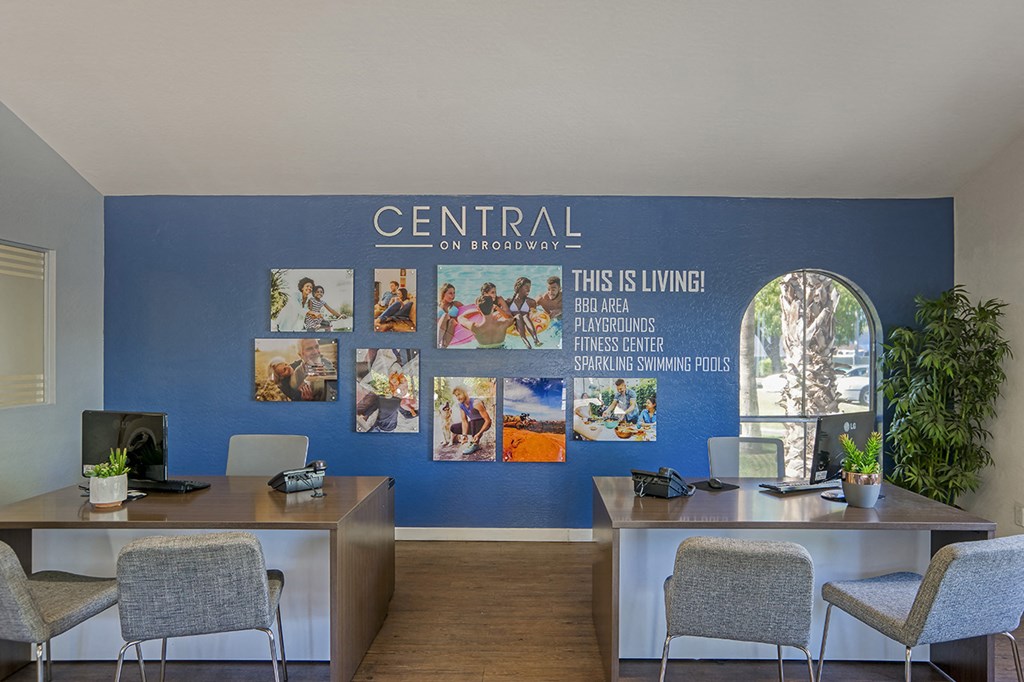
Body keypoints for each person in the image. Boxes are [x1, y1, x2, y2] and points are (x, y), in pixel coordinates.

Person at [458, 282, 512, 348]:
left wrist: (478, 310)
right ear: (492, 307)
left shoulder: (475, 328)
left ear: (479, 309)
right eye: (492, 292)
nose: (495, 294)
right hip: (501, 350)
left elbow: (460, 318)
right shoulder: (503, 324)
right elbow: (511, 318)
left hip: (482, 353)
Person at [450, 385, 491, 455]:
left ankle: (475, 444)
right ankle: (474, 437)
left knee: (473, 417)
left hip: (484, 423)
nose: (458, 397)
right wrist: (464, 435)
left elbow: (488, 421)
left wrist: (479, 433)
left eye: (459, 394)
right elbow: (464, 421)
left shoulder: (476, 403)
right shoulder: (461, 405)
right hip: (473, 423)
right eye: (456, 396)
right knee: (453, 427)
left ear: (465, 393)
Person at [506, 276, 543, 349]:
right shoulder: (509, 302)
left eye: (530, 287)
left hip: (527, 321)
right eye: (526, 287)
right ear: (519, 287)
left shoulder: (531, 302)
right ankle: (527, 343)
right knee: (519, 316)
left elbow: (534, 314)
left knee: (525, 316)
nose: (529, 290)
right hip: (516, 323)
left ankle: (536, 339)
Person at [436, 282, 463, 348]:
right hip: (439, 330)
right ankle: (436, 343)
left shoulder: (456, 304)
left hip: (452, 328)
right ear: (443, 294)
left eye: (454, 293)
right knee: (445, 316)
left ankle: (443, 347)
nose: (453, 296)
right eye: (450, 293)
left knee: (451, 320)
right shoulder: (437, 306)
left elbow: (466, 312)